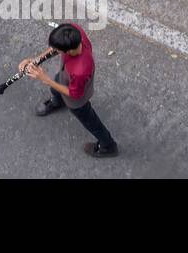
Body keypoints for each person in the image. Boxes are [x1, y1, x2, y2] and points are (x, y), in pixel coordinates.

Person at [21, 22, 119, 158]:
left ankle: (108, 146)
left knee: (90, 121)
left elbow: (75, 94)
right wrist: (36, 61)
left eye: (58, 50)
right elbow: (55, 49)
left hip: (76, 99)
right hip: (65, 76)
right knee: (57, 86)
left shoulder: (80, 70)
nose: (54, 50)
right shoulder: (73, 32)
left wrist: (45, 79)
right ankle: (57, 102)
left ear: (68, 51)